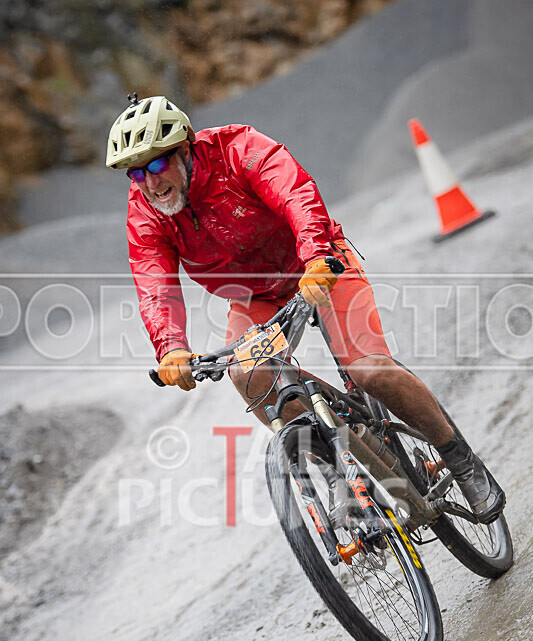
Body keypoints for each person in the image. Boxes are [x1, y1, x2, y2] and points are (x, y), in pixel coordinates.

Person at [106, 94, 504, 525]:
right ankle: (341, 472)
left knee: (368, 369)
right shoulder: (146, 209)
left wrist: (315, 256)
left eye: (157, 165)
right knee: (249, 374)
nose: (149, 182)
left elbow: (295, 193)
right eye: (137, 172)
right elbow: (153, 280)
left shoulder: (237, 148)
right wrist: (170, 348)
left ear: (185, 148)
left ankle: (461, 460)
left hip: (317, 264)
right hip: (255, 294)